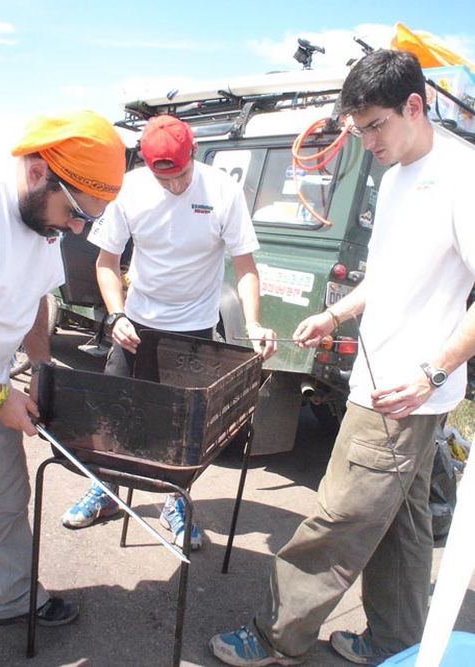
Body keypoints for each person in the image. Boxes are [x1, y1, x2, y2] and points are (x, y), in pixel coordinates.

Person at [209, 49, 475, 666]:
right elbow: (387, 273)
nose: (367, 141)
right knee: (403, 531)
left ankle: (277, 635)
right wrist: (335, 314)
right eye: (358, 131)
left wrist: (433, 371)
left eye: (375, 125)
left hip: (402, 395)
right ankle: (396, 644)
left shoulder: (461, 176)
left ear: (415, 105)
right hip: (388, 380)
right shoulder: (397, 174)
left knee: (338, 519)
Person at [62, 114, 277, 549]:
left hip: (194, 328)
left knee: (183, 429)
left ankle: (174, 502)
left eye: (180, 177)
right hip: (135, 322)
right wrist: (116, 315)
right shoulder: (131, 190)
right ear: (147, 166)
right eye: (165, 181)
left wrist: (254, 322)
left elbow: (245, 267)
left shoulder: (222, 191)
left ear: (192, 156)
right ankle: (105, 492)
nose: (174, 187)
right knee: (113, 414)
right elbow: (105, 263)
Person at [0, 110, 126, 627]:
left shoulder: (43, 217)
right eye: (73, 212)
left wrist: (40, 365)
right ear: (39, 172)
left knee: (2, 501)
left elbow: (39, 294)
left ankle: (14, 600)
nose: (75, 227)